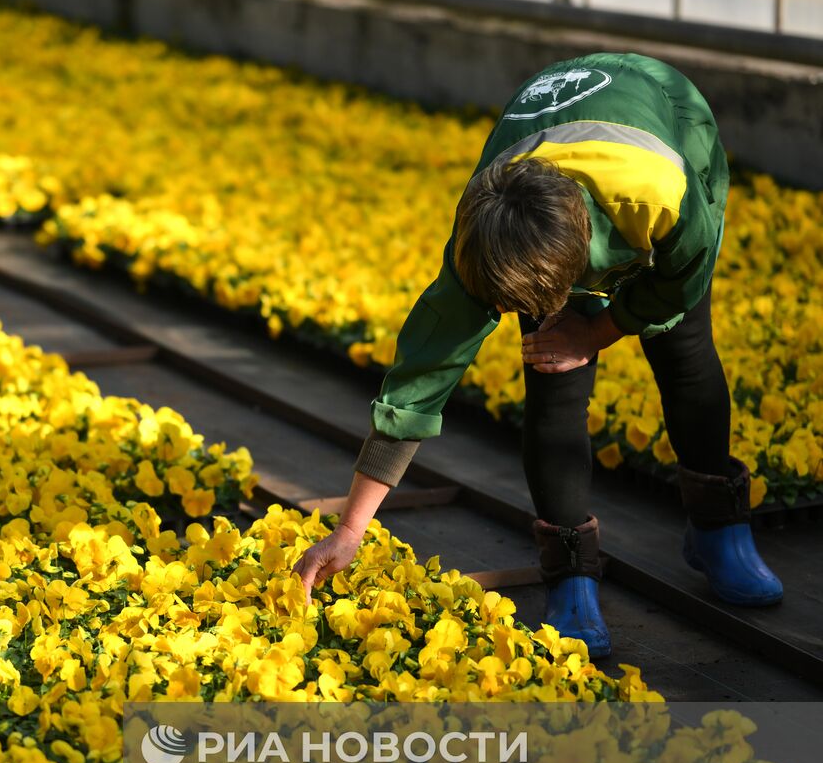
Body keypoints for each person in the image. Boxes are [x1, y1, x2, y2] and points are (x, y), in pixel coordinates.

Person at [292, 52, 783, 658]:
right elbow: (422, 377)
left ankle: (719, 528)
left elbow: (681, 282)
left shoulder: (663, 195)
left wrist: (599, 330)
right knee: (553, 377)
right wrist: (349, 528)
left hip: (666, 118)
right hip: (545, 199)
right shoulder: (491, 229)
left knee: (683, 350)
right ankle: (571, 569)